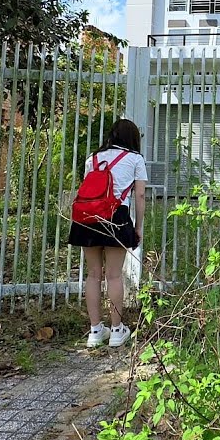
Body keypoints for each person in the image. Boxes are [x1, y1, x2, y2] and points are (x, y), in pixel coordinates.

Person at [69, 119, 147, 348]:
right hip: (116, 218)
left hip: (87, 219)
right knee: (114, 275)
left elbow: (87, 191)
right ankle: (116, 330)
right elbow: (140, 196)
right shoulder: (135, 159)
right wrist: (138, 227)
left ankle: (94, 331)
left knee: (93, 274)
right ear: (133, 138)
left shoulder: (92, 159)